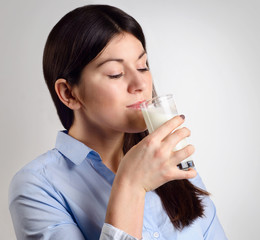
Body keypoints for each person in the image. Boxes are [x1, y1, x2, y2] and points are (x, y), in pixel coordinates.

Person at [9, 4, 228, 240]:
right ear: (69, 93)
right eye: (115, 73)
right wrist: (130, 186)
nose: (140, 84)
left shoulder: (172, 161)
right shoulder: (36, 186)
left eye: (143, 66)